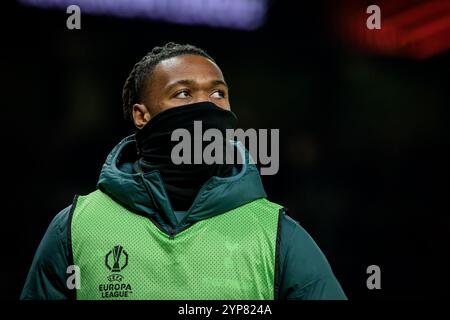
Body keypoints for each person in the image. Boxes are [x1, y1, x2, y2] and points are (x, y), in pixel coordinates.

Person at [21, 42, 347, 300]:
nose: (206, 105)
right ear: (141, 114)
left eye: (218, 93)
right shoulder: (75, 227)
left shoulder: (277, 234)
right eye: (183, 93)